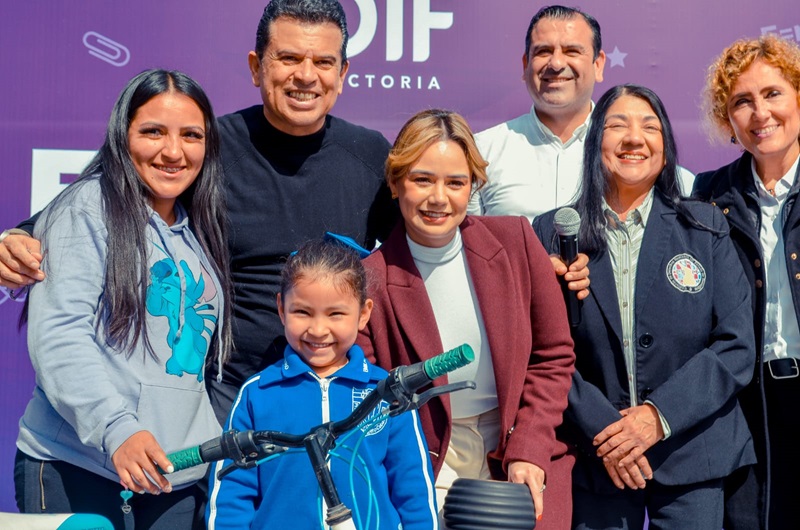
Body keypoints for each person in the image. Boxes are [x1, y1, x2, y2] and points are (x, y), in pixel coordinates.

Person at [0, 0, 398, 425]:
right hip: (221, 404)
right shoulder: (204, 146)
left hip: (333, 401)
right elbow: (105, 193)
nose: (305, 75)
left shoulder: (370, 155)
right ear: (256, 67)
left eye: (323, 62)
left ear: (343, 73)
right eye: (288, 58)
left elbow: (411, 259)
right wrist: (20, 236)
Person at [14, 69, 232, 529]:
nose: (173, 151)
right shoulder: (86, 207)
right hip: (79, 468)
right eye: (153, 131)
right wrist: (118, 430)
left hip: (174, 479)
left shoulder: (198, 227)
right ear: (122, 136)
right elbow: (60, 336)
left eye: (191, 135)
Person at [534, 84, 756, 529]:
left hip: (692, 453)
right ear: (595, 143)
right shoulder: (552, 232)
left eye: (649, 127)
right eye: (618, 126)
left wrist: (657, 417)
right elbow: (542, 350)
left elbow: (735, 345)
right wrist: (608, 432)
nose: (634, 138)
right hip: (596, 457)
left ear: (666, 147)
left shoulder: (706, 227)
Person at [357, 109, 576, 529]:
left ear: (472, 185)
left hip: (516, 439)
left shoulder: (516, 241)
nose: (439, 198)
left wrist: (529, 449)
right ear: (395, 183)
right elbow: (372, 395)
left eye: (455, 182)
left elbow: (553, 356)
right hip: (425, 454)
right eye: (423, 180)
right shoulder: (369, 280)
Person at [207, 239, 437, 530]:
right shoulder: (257, 393)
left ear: (363, 313)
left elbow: (414, 489)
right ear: (281, 309)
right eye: (302, 312)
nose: (317, 330)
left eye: (335, 314)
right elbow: (231, 493)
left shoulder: (387, 392)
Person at [693, 34, 800, 530]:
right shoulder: (708, 195)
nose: (761, 113)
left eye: (773, 93)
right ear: (728, 121)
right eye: (742, 101)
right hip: (745, 402)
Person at [469, 5, 694, 222]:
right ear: (525, 65)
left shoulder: (629, 154)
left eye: (572, 51)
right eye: (543, 51)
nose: (556, 63)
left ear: (598, 65)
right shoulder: (483, 152)